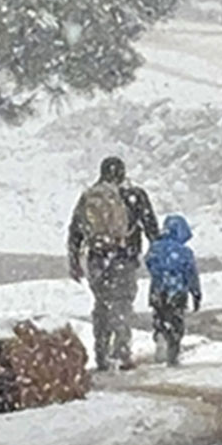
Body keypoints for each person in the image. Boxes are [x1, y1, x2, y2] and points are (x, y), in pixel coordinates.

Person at [67, 157, 159, 371]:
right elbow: (151, 226)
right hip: (124, 257)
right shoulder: (134, 195)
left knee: (101, 304)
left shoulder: (90, 197)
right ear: (122, 173)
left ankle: (101, 353)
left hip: (97, 260)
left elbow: (75, 230)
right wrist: (157, 252)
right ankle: (121, 353)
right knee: (122, 304)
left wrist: (74, 261)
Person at [145, 214, 202, 367]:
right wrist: (195, 293)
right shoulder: (184, 252)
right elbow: (191, 274)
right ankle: (172, 352)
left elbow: (149, 263)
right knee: (176, 322)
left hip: (157, 290)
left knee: (159, 317)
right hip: (177, 292)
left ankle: (160, 336)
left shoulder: (155, 247)